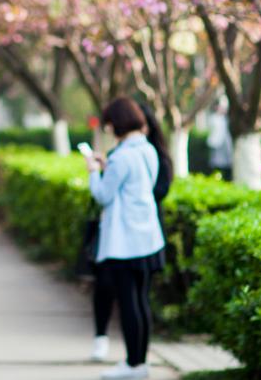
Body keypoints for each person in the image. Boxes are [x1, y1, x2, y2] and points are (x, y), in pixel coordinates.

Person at [85, 98, 165, 380]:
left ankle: (133, 365)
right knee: (141, 302)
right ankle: (140, 362)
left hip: (124, 242)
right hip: (148, 237)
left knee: (129, 303)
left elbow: (104, 195)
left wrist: (94, 171)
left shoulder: (121, 156)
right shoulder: (148, 150)